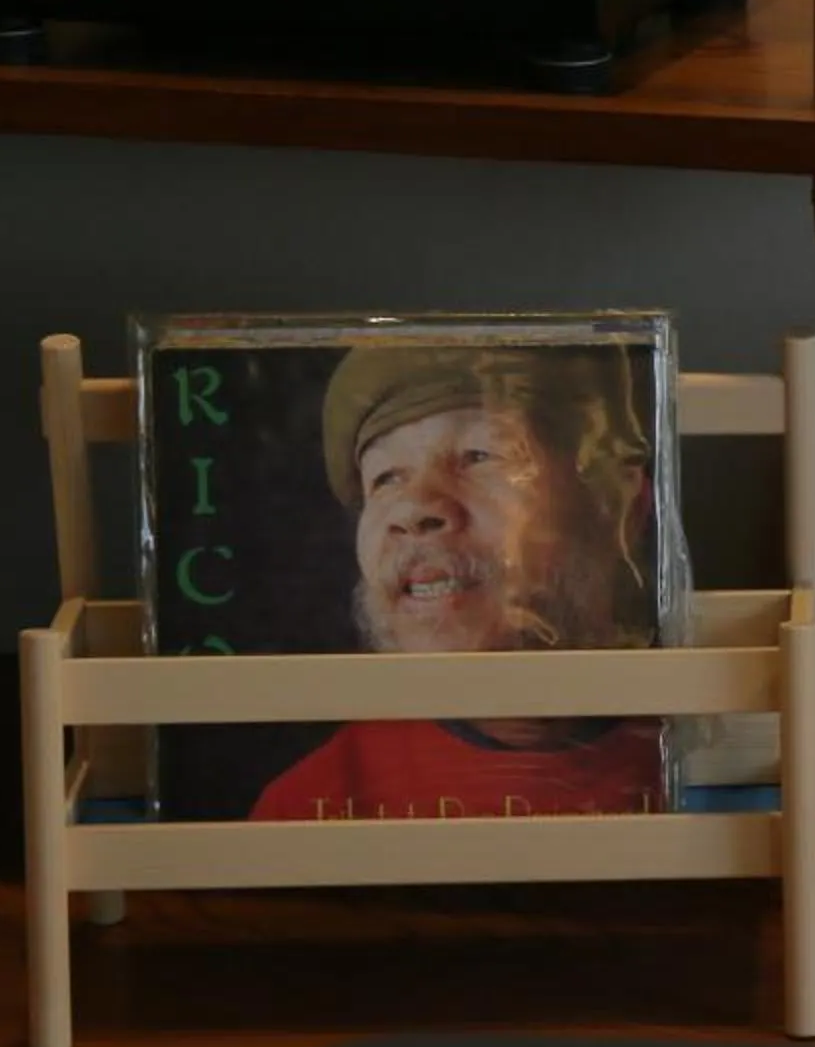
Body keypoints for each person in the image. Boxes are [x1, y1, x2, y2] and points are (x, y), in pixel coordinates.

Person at [249, 344, 667, 822]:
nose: (414, 509)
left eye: (477, 456)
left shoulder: (710, 766)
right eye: (385, 479)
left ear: (618, 506)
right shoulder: (307, 806)